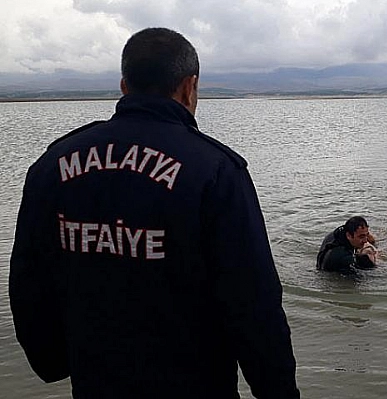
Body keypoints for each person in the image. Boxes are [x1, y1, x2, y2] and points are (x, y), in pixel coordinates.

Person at [9, 28, 299, 399]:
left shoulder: (53, 165)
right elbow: (254, 305)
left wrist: (51, 361)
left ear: (123, 86)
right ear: (188, 87)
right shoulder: (214, 170)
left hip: (95, 383)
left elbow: (27, 281)